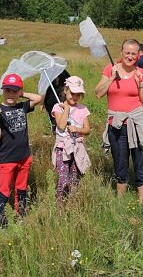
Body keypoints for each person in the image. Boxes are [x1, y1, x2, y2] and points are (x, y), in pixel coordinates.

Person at [95, 39, 143, 203]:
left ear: (138, 55)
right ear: (121, 52)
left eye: (133, 53)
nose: (130, 56)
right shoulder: (110, 69)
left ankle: (141, 201)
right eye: (127, 52)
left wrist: (140, 84)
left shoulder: (141, 73)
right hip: (116, 124)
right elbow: (98, 93)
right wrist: (111, 79)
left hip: (137, 123)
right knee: (120, 162)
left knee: (141, 161)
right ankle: (120, 201)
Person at [0, 73, 43, 227]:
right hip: (6, 160)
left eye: (14, 91)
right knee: (4, 191)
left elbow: (39, 99)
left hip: (24, 157)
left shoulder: (22, 106)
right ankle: (1, 221)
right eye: (7, 90)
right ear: (3, 91)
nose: (10, 94)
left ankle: (20, 216)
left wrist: (22, 93)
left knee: (21, 188)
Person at [51, 76, 91, 204]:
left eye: (78, 95)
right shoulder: (58, 108)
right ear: (66, 90)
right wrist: (67, 109)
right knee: (63, 179)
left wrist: (77, 130)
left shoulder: (83, 109)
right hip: (62, 149)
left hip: (77, 148)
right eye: (72, 93)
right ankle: (60, 205)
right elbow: (61, 126)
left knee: (75, 178)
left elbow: (87, 130)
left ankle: (71, 203)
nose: (75, 97)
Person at [43, 55, 71, 133]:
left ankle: (63, 131)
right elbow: (44, 88)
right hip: (49, 100)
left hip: (61, 99)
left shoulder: (62, 71)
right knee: (53, 118)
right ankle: (56, 132)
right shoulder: (45, 72)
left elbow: (68, 83)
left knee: (63, 116)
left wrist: (67, 97)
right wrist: (42, 102)